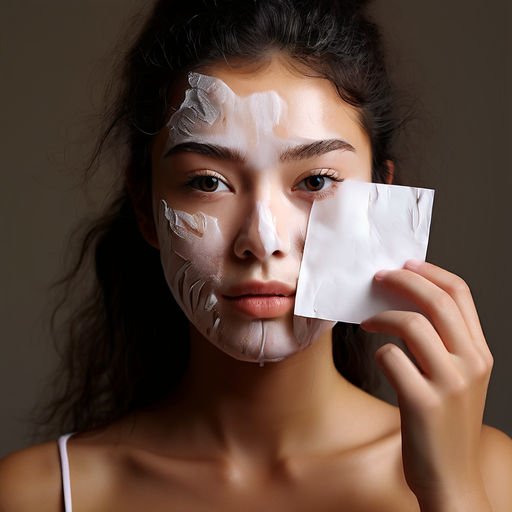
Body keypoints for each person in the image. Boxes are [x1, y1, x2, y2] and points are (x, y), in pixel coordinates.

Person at [1, 0, 511, 510]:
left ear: (382, 196)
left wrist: (452, 490)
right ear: (145, 207)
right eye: (207, 181)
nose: (262, 240)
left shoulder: (492, 474)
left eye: (315, 181)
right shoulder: (34, 494)